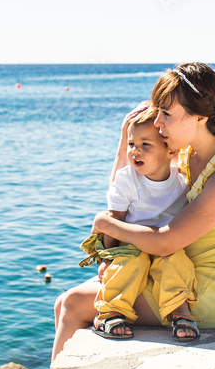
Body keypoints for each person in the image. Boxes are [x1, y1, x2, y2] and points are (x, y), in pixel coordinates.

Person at [52, 62, 215, 360]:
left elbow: (168, 240)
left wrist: (105, 225)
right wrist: (123, 143)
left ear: (199, 117)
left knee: (73, 303)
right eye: (158, 112)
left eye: (166, 114)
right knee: (63, 302)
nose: (158, 123)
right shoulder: (187, 153)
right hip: (175, 271)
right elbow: (125, 193)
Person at [82, 106, 199, 341]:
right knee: (129, 264)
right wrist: (107, 259)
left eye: (146, 145)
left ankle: (179, 311)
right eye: (132, 144)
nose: (135, 151)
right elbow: (114, 219)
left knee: (176, 262)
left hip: (164, 244)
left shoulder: (183, 182)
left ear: (170, 150)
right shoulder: (127, 180)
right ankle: (111, 311)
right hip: (130, 243)